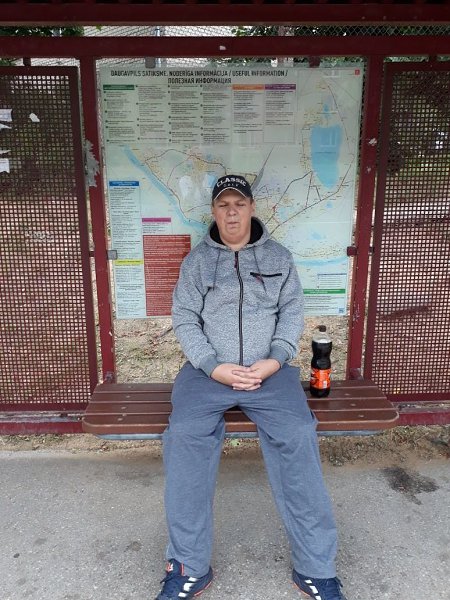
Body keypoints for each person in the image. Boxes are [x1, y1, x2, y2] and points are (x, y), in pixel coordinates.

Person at [155, 174, 347, 600]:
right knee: (184, 437)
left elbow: (291, 313)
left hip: (270, 373)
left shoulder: (279, 257)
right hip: (207, 373)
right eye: (223, 205)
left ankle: (315, 568)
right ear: (213, 212)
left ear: (251, 208)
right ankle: (188, 566)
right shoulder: (197, 262)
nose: (232, 213)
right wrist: (213, 366)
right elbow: (184, 318)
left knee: (298, 434)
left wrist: (274, 360)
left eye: (239, 204)